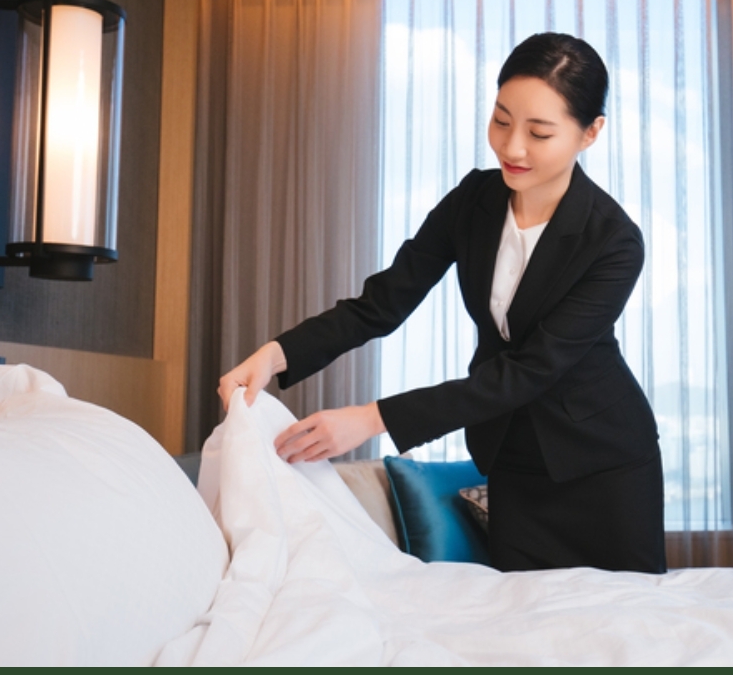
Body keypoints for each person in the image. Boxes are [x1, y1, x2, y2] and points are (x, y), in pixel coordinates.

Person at [218, 32, 665, 574]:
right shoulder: (473, 202)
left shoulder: (614, 240)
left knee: (624, 619)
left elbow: (529, 371)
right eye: (501, 120)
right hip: (512, 462)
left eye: (539, 133)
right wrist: (275, 355)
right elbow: (382, 302)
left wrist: (371, 419)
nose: (512, 147)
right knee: (522, 616)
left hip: (603, 467)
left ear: (590, 132)